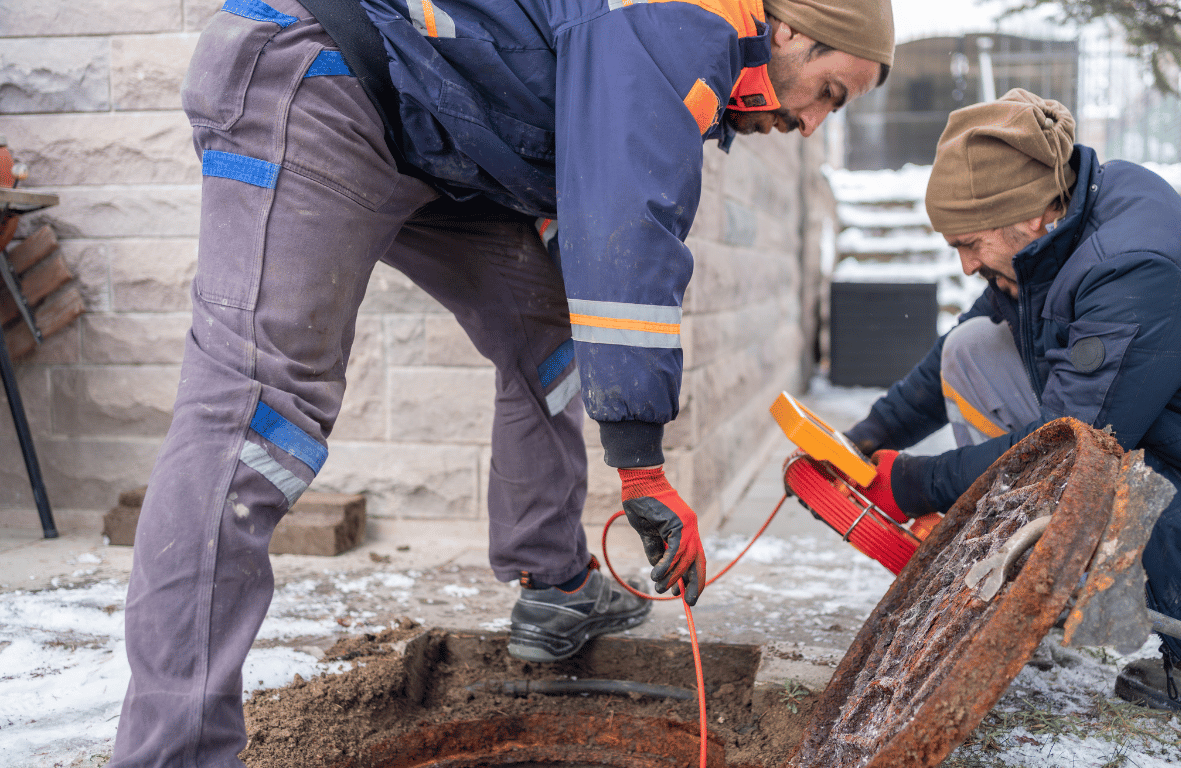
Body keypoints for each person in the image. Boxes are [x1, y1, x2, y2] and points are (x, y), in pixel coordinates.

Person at [109, 0, 893, 764]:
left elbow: (572, 140)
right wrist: (642, 468)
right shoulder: (684, 24)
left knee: (546, 332)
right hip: (324, 71)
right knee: (257, 416)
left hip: (433, 133)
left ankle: (552, 581)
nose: (814, 122)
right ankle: (175, 750)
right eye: (829, 92)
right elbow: (628, 223)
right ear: (788, 29)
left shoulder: (686, 45)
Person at [843, 88, 1181, 712]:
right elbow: (978, 347)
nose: (968, 264)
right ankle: (1023, 563)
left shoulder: (1132, 269)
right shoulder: (1061, 230)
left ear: (1027, 216)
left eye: (968, 243)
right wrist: (866, 439)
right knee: (973, 348)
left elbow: (1067, 447)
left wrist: (912, 483)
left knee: (1079, 530)